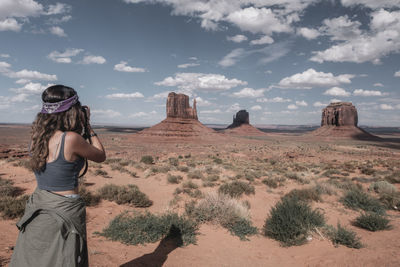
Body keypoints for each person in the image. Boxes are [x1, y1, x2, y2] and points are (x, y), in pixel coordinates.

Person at [10, 85, 106, 267]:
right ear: (71, 111)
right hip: (65, 210)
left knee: (38, 256)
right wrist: (88, 126)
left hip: (39, 204)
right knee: (65, 257)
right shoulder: (70, 139)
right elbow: (100, 155)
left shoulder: (35, 138)